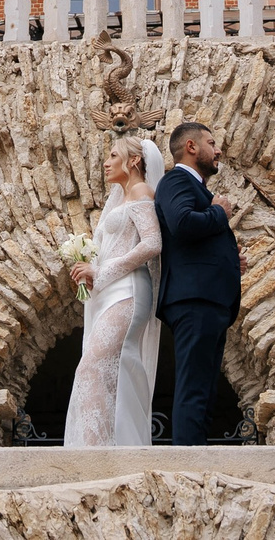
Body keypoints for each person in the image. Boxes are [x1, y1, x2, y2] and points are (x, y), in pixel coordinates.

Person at [61, 135, 167, 448]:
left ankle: (99, 449)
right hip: (112, 291)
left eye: (113, 155)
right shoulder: (121, 198)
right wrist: (89, 270)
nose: (106, 163)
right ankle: (106, 444)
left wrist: (102, 272)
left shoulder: (140, 191)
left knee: (92, 365)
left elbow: (152, 243)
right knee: (99, 369)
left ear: (134, 161)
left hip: (129, 291)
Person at [153, 119, 242, 446]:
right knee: (194, 386)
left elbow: (195, 241)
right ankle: (187, 461)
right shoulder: (176, 180)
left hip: (208, 299)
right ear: (191, 147)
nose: (218, 150)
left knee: (205, 387)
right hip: (194, 300)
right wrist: (220, 213)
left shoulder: (195, 187)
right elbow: (183, 223)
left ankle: (198, 455)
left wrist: (231, 260)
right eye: (211, 143)